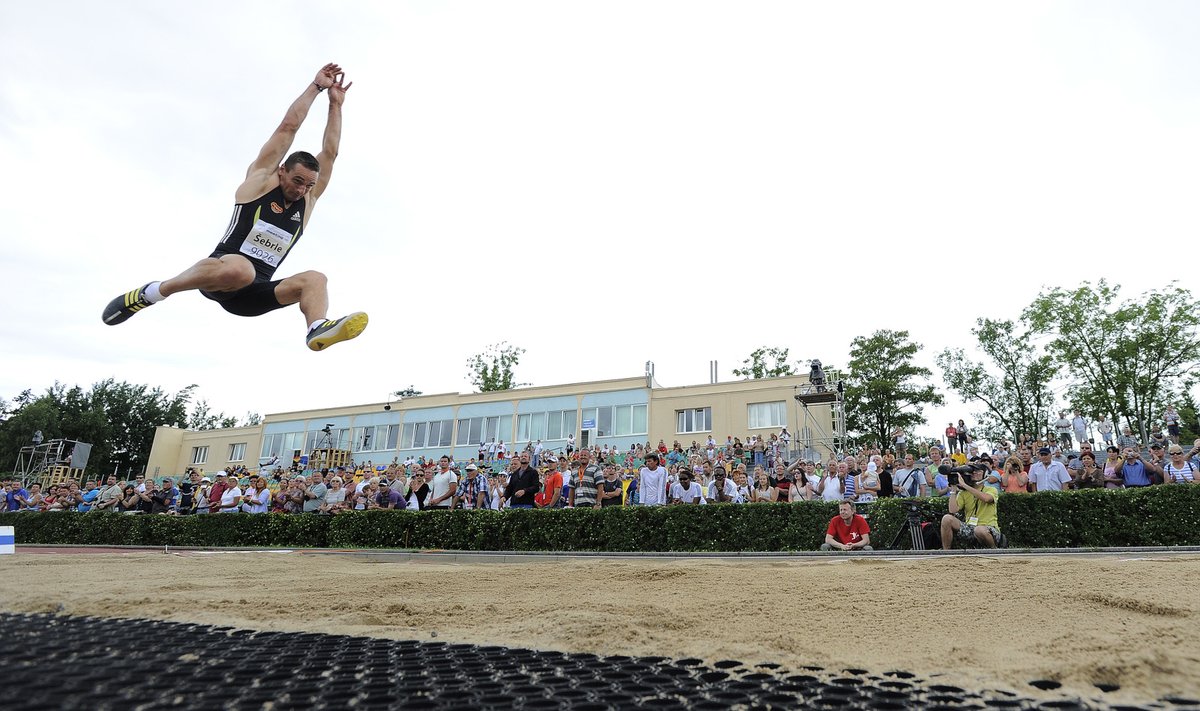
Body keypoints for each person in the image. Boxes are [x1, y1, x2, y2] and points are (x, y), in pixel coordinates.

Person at [101, 64, 367, 352]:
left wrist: (336, 104)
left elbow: (331, 152)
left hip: (253, 297)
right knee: (242, 269)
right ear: (281, 171)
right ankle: (153, 292)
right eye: (297, 180)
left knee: (316, 279)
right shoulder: (260, 183)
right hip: (222, 272)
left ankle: (317, 328)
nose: (301, 189)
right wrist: (315, 88)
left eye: (308, 185)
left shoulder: (307, 202)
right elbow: (288, 127)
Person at [940, 466, 1003, 549]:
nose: (974, 473)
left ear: (985, 474)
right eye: (972, 471)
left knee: (979, 530)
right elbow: (953, 510)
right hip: (970, 528)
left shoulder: (991, 489)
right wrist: (953, 490)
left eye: (978, 471)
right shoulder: (963, 493)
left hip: (988, 528)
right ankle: (946, 552)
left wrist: (965, 485)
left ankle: (994, 549)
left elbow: (986, 499)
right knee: (946, 518)